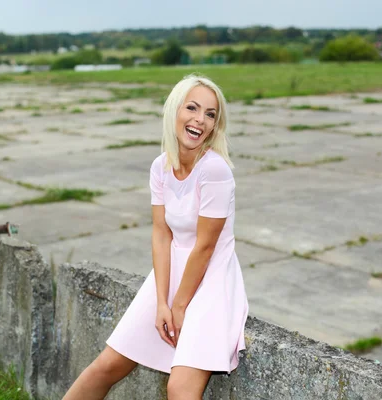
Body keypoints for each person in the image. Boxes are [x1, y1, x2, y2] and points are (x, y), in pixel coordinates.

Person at [62, 74, 249, 400]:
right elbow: (162, 234)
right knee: (107, 365)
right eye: (191, 108)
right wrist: (162, 301)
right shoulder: (161, 166)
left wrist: (180, 305)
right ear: (174, 111)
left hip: (212, 280)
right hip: (171, 275)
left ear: (216, 126)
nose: (199, 120)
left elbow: (205, 247)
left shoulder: (215, 170)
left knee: (179, 388)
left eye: (210, 114)